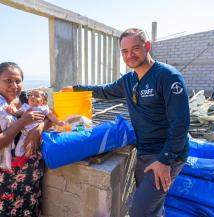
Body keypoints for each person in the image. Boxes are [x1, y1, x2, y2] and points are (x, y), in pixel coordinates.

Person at [62, 28, 190, 217]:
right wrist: (75, 89)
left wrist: (165, 160)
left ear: (147, 46)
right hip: (144, 151)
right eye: (124, 51)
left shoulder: (168, 77)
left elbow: (181, 123)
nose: (129, 55)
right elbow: (105, 91)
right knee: (152, 209)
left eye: (135, 48)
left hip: (166, 155)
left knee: (139, 211)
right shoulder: (129, 80)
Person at [0, 62, 50, 217]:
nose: (14, 86)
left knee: (30, 210)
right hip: (7, 175)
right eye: (8, 81)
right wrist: (22, 121)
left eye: (18, 81)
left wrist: (38, 129)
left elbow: (49, 115)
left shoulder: (26, 99)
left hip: (31, 170)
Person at [5, 89, 64, 168]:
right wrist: (12, 111)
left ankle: (24, 159)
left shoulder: (44, 108)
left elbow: (51, 116)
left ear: (43, 101)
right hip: (25, 133)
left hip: (38, 134)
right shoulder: (25, 107)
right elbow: (18, 113)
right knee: (18, 150)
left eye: (36, 96)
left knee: (32, 148)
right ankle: (18, 160)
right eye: (31, 95)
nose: (33, 97)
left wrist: (58, 122)